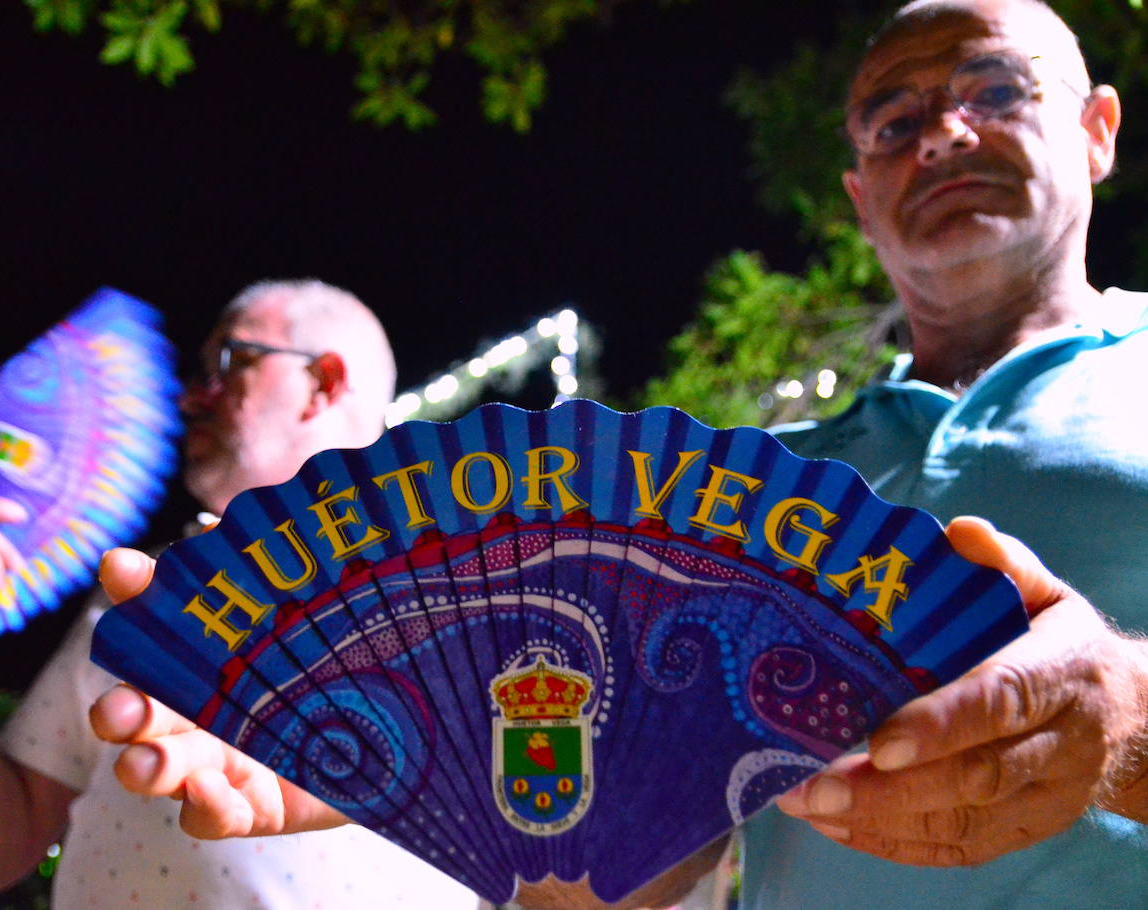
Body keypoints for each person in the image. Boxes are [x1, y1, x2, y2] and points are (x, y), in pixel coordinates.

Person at [87, 1, 1148, 908]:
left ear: (1099, 128)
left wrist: (1127, 724)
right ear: (859, 197)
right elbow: (617, 869)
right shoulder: (740, 492)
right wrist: (447, 766)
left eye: (996, 89)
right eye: (893, 119)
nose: (941, 135)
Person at [0, 279, 480, 908]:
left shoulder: (469, 590)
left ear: (324, 384)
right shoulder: (140, 589)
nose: (194, 395)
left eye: (230, 360)